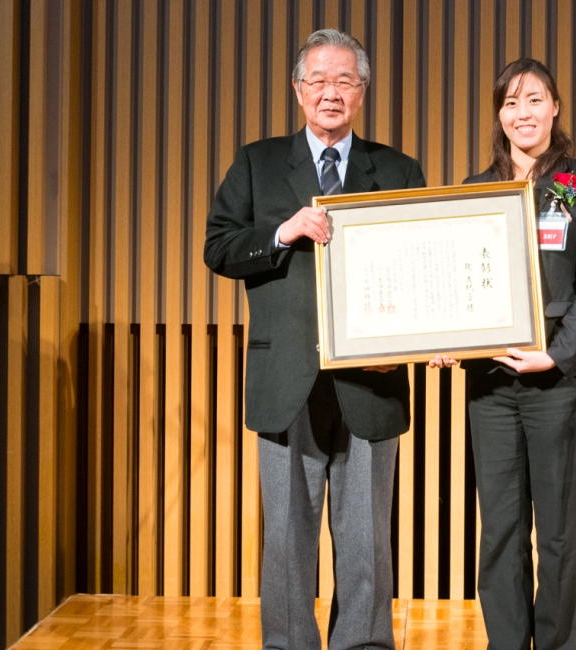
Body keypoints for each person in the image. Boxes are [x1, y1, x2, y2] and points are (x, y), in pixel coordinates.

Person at [204, 29, 426, 650]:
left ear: (362, 91)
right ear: (298, 90)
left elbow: (420, 267)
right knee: (288, 539)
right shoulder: (258, 161)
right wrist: (282, 232)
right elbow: (218, 247)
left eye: (345, 81)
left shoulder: (400, 169)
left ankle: (365, 644)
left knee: (366, 541)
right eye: (319, 81)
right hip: (286, 378)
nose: (332, 93)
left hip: (371, 380)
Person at [432, 57, 576, 650]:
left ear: (556, 107)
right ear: (499, 114)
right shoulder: (477, 188)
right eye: (511, 103)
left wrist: (557, 355)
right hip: (490, 382)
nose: (523, 113)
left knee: (558, 533)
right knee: (501, 530)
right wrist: (446, 340)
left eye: (534, 99)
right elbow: (455, 283)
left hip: (557, 379)